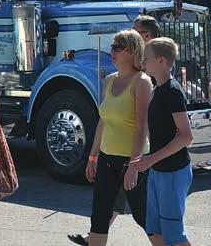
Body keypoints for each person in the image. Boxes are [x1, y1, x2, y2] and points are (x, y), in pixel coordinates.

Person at [69, 17, 161, 246]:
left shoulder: (142, 82)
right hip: (107, 159)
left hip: (133, 160)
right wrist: (92, 156)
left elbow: (142, 127)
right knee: (99, 217)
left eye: (117, 47)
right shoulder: (109, 80)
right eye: (112, 47)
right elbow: (103, 121)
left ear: (131, 51)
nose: (112, 51)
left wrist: (133, 165)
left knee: (144, 217)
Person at [131, 37, 194, 246]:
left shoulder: (172, 92)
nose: (143, 63)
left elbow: (186, 136)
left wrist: (150, 159)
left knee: (174, 236)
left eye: (146, 59)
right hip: (158, 171)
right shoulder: (157, 88)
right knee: (155, 231)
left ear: (160, 61)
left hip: (173, 172)